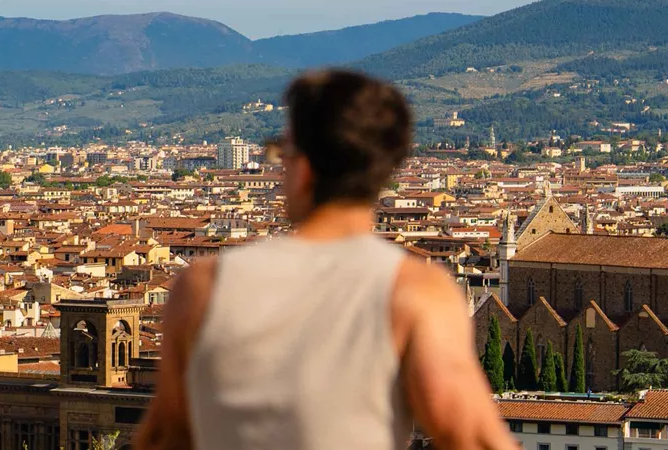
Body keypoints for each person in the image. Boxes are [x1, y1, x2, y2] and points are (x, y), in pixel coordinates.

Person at [134, 69, 516, 450]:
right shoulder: (416, 293)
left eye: (282, 154)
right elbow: (473, 438)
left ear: (304, 168)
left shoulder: (204, 288)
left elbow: (166, 437)